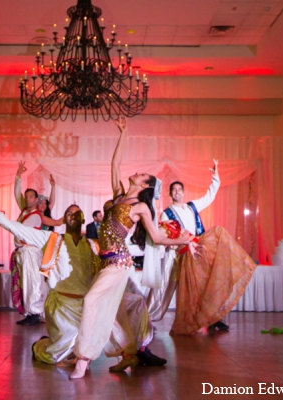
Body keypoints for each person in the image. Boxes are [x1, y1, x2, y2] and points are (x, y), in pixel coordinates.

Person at [70, 117, 193, 380]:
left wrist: (183, 240)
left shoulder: (140, 208)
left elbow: (157, 238)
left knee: (91, 301)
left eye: (140, 175)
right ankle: (128, 354)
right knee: (114, 311)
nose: (135, 173)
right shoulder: (118, 196)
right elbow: (114, 164)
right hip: (105, 262)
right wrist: (123, 134)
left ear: (145, 185)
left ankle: (83, 358)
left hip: (118, 263)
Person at [0, 202, 165, 367]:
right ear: (64, 219)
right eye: (69, 213)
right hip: (63, 305)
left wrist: (164, 242)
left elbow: (124, 249)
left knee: (136, 301)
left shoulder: (93, 245)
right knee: (57, 356)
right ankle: (40, 345)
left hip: (91, 303)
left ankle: (141, 351)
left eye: (77, 213)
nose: (73, 216)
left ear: (83, 218)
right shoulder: (52, 239)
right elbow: (20, 230)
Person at [153, 174, 257, 335]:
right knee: (192, 289)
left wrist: (215, 178)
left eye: (179, 189)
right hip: (184, 252)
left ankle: (212, 318)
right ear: (170, 193)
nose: (177, 192)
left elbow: (209, 197)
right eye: (174, 190)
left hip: (200, 248)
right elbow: (168, 237)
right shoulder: (166, 214)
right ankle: (193, 320)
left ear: (183, 192)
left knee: (207, 283)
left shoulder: (191, 206)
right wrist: (184, 243)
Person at [12, 162, 63, 326]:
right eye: (26, 197)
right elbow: (16, 193)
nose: (27, 199)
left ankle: (35, 312)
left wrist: (71, 215)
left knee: (35, 281)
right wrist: (18, 176)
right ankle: (30, 312)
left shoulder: (39, 215)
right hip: (22, 252)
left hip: (33, 251)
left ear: (37, 199)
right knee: (27, 281)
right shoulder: (25, 211)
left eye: (31, 197)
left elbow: (57, 221)